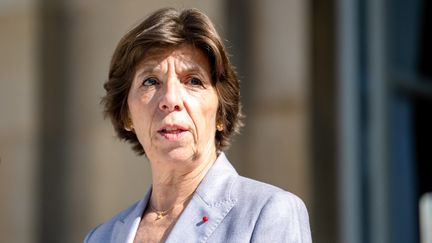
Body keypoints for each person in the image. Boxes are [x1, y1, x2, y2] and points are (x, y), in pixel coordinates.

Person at [84, 7, 312, 243]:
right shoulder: (101, 237)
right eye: (151, 81)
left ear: (222, 113)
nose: (171, 100)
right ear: (126, 115)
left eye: (193, 81)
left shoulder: (268, 212)